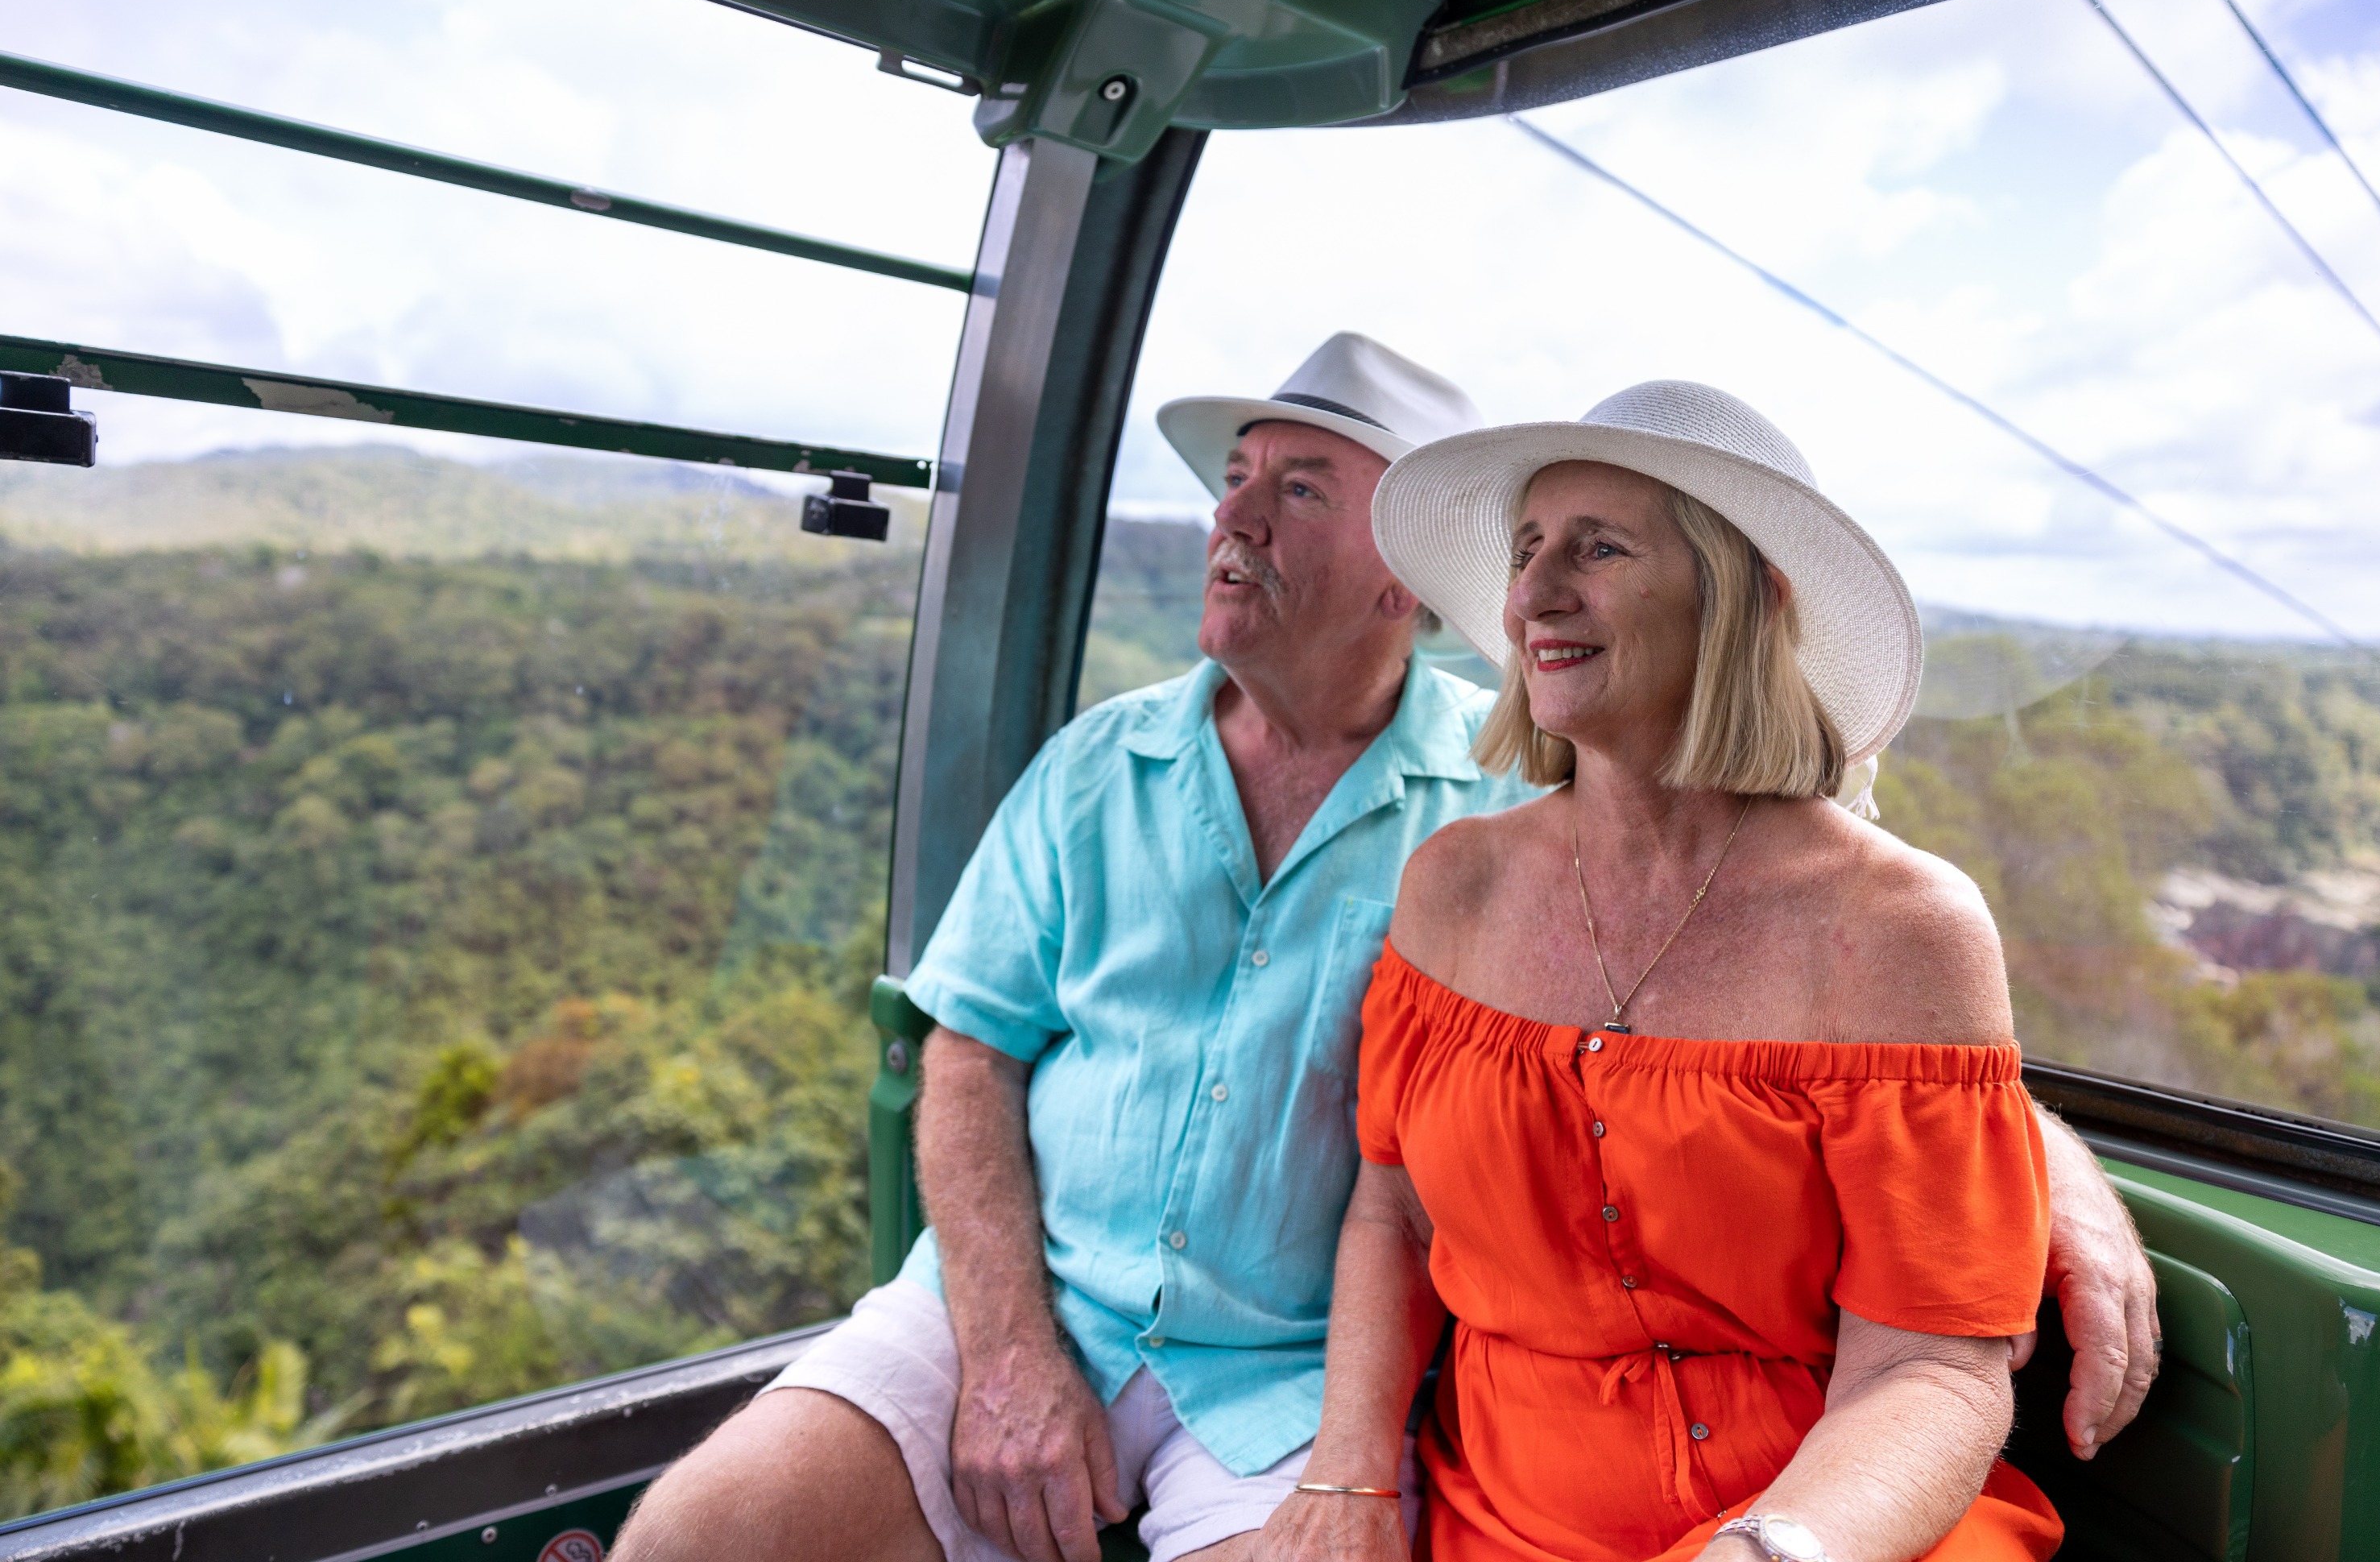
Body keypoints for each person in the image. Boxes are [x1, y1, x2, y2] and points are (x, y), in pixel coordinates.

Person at [612, 345, 2155, 1562]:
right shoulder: (1166, 790)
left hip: (1278, 1388)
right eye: (1236, 482)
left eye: (1297, 489)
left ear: (1401, 584)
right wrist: (1010, 1347)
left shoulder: (1507, 806)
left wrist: (2040, 1146)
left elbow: (1830, 1009)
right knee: (692, 1540)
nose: (1232, 517)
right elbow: (975, 1047)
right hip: (1048, 1315)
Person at [1261, 381, 2080, 1562]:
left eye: (1598, 548)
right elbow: (1391, 1211)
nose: (1534, 594)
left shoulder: (1899, 928)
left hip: (1829, 1519)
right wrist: (1347, 1484)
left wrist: (1770, 1550)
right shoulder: (1455, 887)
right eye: (1529, 548)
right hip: (1504, 1518)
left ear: (1746, 600)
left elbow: (1933, 1368)